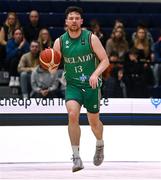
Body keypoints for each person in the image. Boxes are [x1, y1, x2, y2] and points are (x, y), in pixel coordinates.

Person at [53, 6, 109, 172]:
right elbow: (53, 66)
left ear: (82, 21)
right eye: (71, 18)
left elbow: (105, 60)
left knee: (94, 123)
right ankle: (76, 157)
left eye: (77, 18)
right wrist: (49, 63)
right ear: (66, 21)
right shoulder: (60, 42)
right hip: (73, 85)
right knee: (72, 115)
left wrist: (95, 74)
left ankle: (100, 144)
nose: (74, 20)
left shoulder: (91, 38)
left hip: (91, 85)